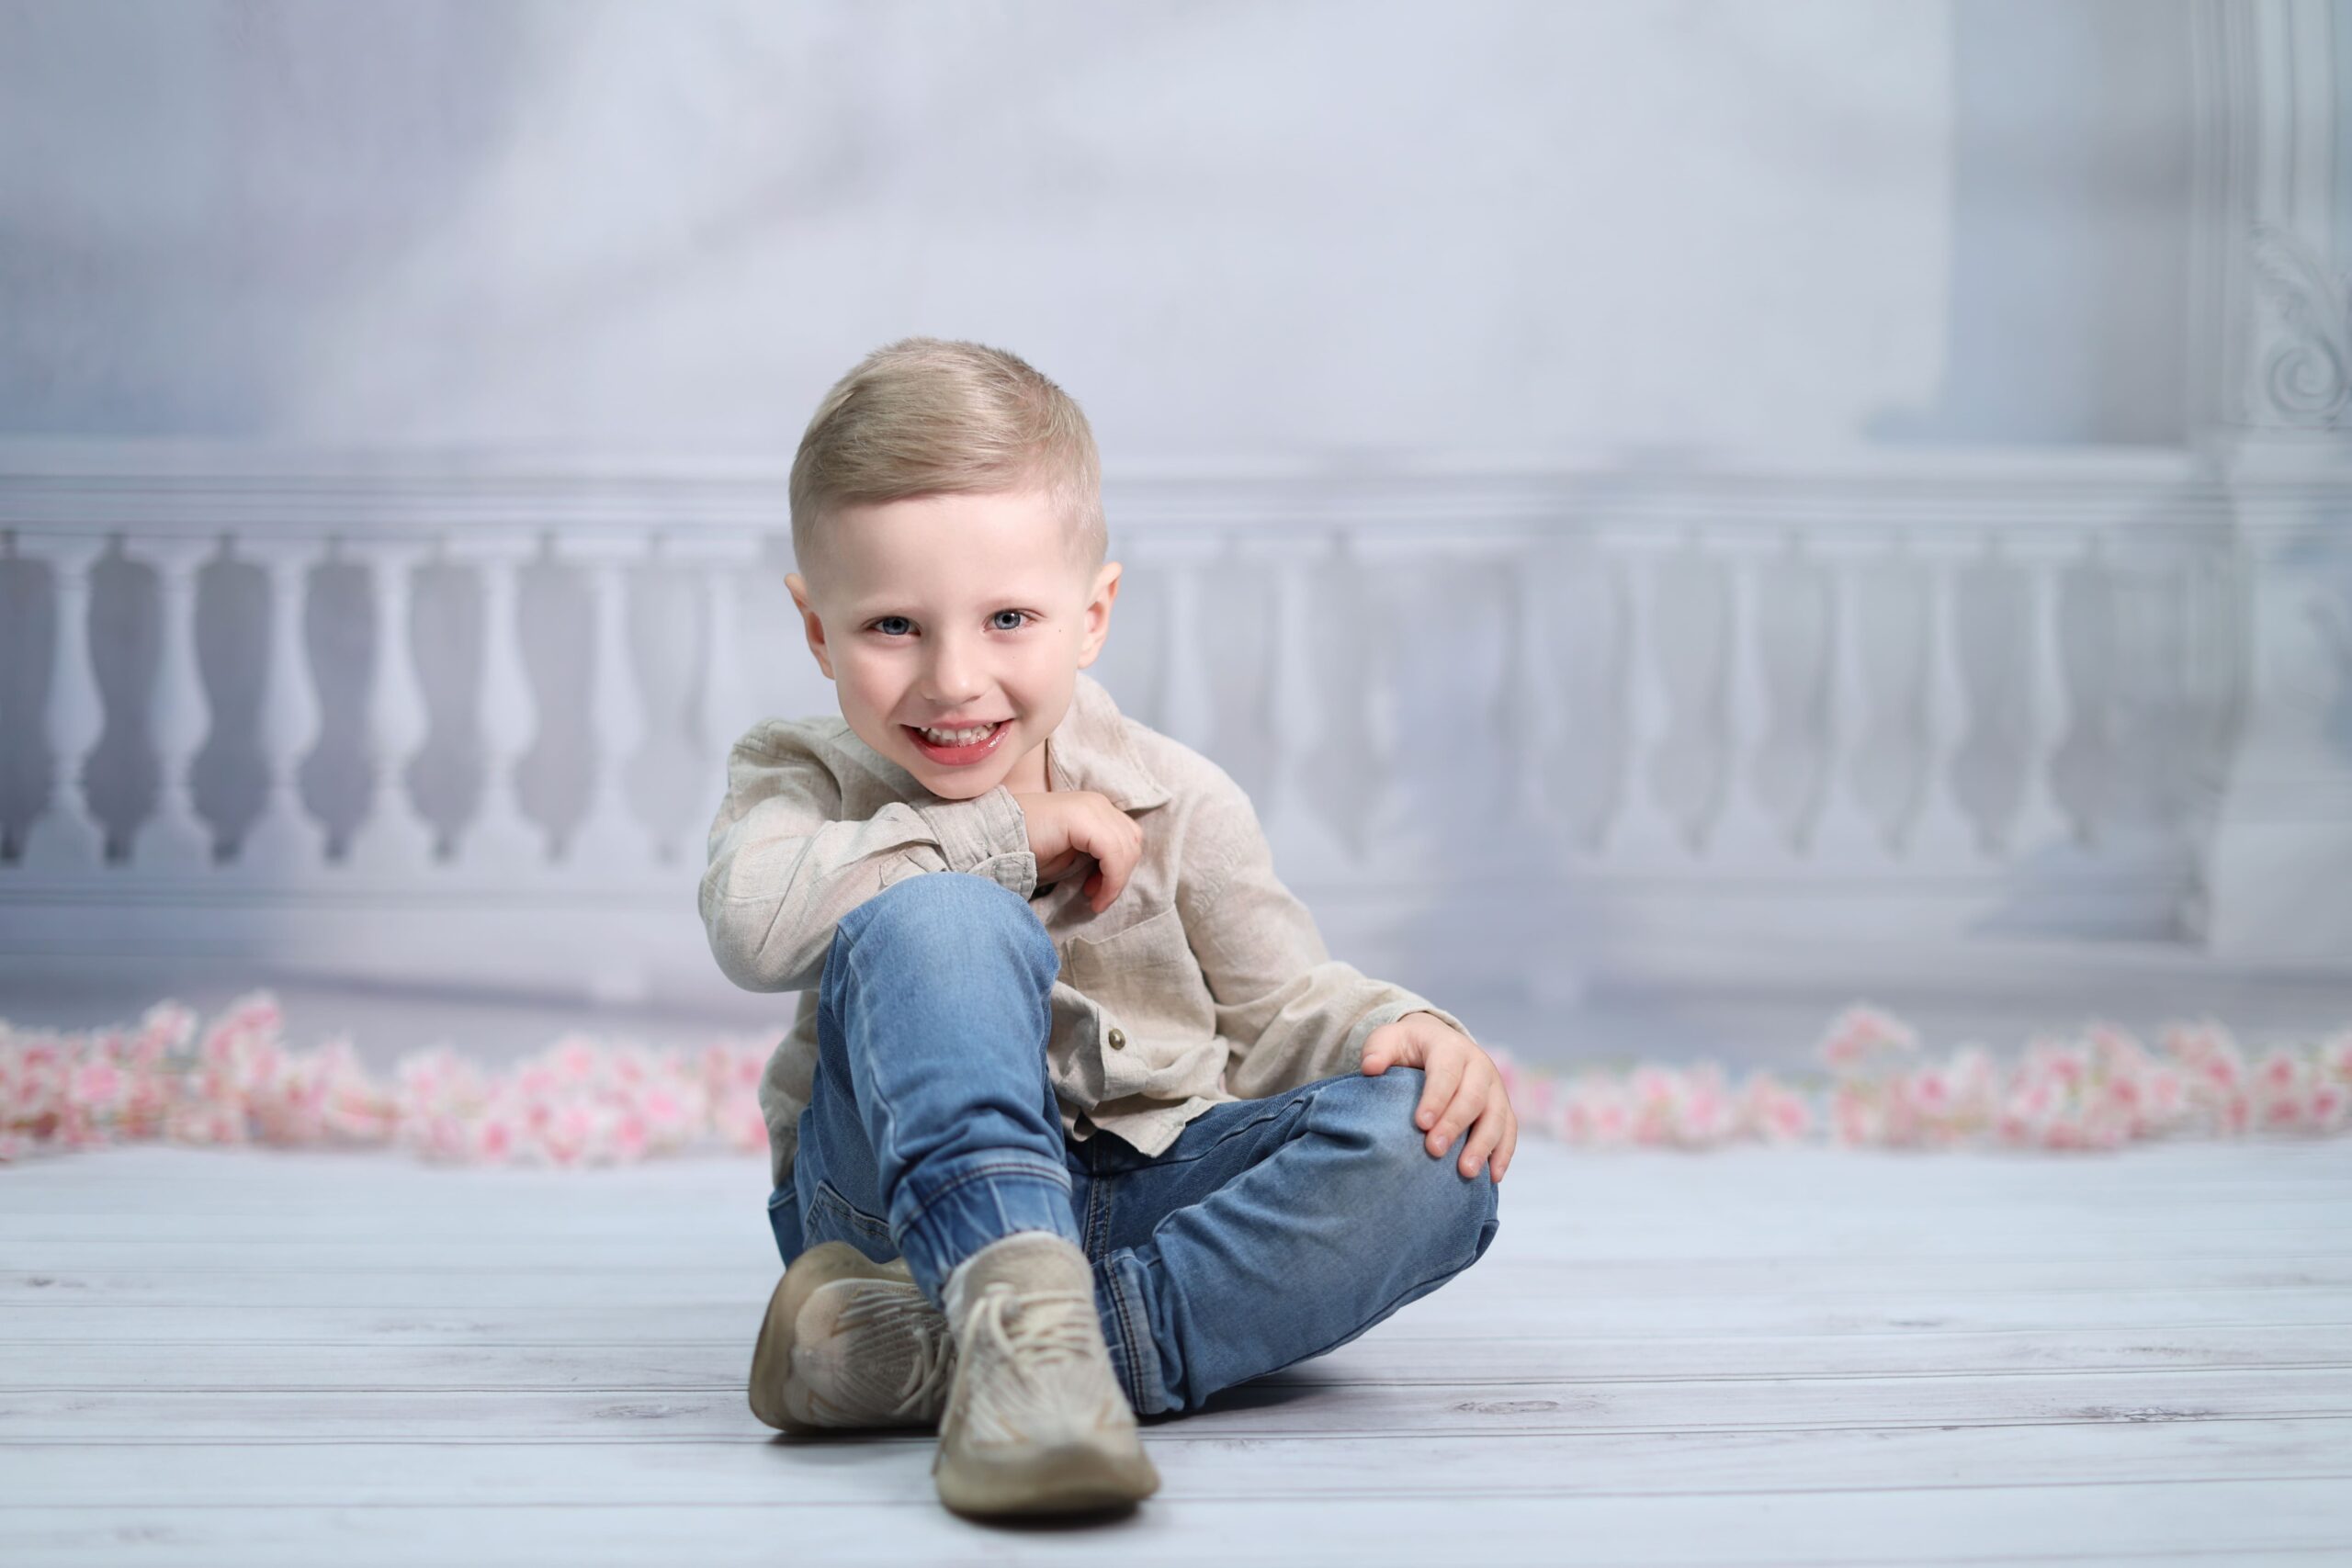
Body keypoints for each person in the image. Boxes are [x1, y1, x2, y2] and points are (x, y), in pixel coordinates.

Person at [699, 336, 1510, 1518]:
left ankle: (962, 1357)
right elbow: (751, 928)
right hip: (885, 1212)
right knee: (943, 917)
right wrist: (1003, 837)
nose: (954, 678)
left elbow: (1282, 1012)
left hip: (1142, 1190)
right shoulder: (798, 775)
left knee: (1432, 1154)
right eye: (892, 627)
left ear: (1091, 615)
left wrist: (1403, 1027)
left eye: (1008, 617)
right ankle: (1016, 1312)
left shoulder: (1176, 796)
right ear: (816, 629)